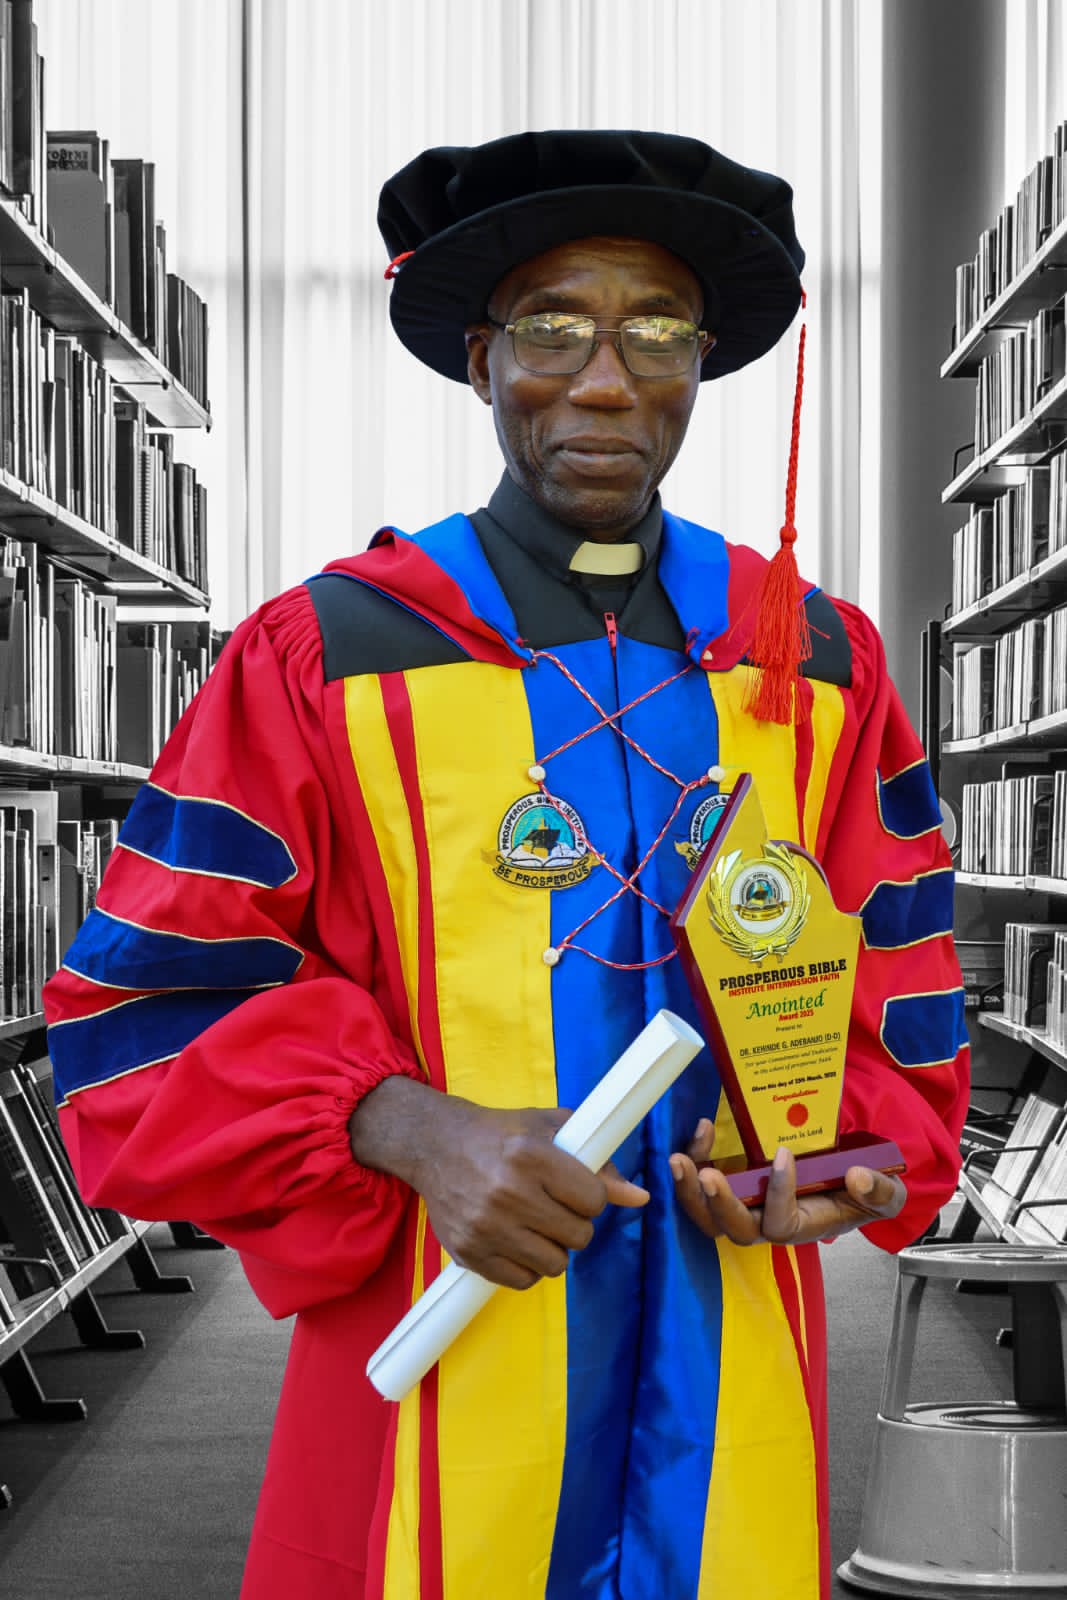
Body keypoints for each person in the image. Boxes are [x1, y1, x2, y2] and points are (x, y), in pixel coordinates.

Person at [43, 130, 969, 1600]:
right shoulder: (328, 656)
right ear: (481, 359)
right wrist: (406, 1126)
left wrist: (833, 1162)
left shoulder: (818, 669)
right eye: (552, 327)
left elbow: (900, 1046)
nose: (605, 380)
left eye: (657, 330)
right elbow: (137, 1023)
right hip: (433, 1367)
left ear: (703, 364)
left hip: (730, 1378)